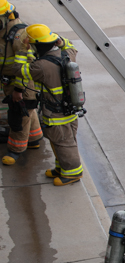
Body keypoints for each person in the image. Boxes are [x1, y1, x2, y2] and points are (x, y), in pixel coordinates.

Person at [10, 24, 83, 185]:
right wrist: (60, 41)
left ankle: (73, 173)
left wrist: (22, 50)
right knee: (61, 141)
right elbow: (71, 46)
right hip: (69, 109)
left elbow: (18, 69)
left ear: (37, 45)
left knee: (63, 143)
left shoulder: (41, 66)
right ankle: (62, 168)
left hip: (56, 113)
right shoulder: (67, 55)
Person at [0, 1, 43, 165]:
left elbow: (26, 67)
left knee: (19, 114)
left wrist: (18, 89)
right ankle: (33, 138)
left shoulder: (19, 35)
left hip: (22, 82)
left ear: (6, 16)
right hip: (11, 80)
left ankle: (15, 150)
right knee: (28, 110)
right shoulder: (4, 30)